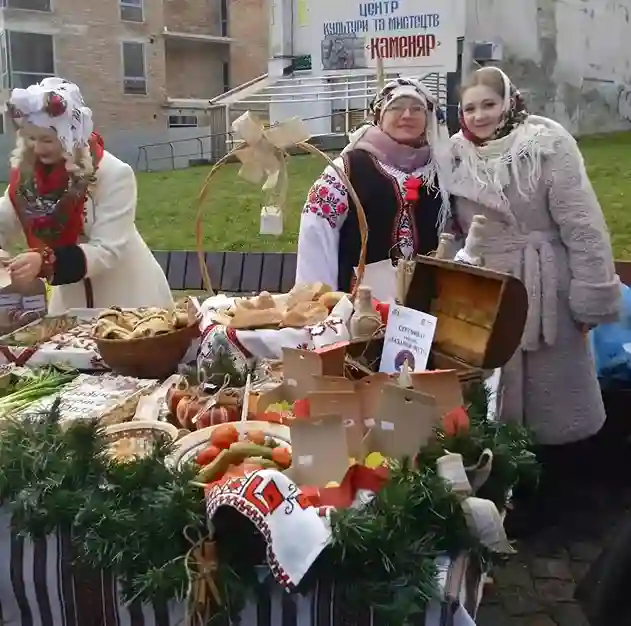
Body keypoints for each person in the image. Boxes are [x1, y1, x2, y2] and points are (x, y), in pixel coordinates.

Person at [449, 66, 621, 530]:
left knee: (556, 399)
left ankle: (563, 503)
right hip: (488, 291)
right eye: (470, 107)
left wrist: (590, 296)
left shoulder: (546, 143)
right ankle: (507, 495)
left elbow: (583, 226)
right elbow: (452, 226)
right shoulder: (456, 154)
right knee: (493, 397)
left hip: (547, 288)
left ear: (509, 101)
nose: (480, 115)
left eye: (489, 104)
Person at [1, 77, 173, 314]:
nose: (38, 149)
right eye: (31, 138)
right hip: (70, 303)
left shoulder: (114, 174)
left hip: (127, 299)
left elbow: (107, 250)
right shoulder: (28, 178)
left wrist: (45, 262)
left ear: (71, 135)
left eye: (47, 140)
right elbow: (6, 216)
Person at [295, 78, 452, 291]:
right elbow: (316, 231)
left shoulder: (440, 172)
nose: (407, 115)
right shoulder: (347, 170)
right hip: (358, 303)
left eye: (417, 109)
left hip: (426, 303)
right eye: (396, 107)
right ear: (379, 116)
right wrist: (321, 297)